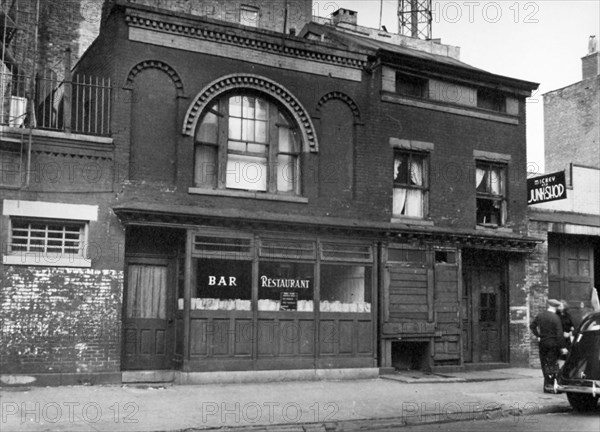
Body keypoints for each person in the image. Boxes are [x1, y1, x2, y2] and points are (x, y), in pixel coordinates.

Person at [529, 299, 568, 393]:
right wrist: (563, 347)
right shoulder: (556, 318)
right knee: (552, 364)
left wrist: (538, 335)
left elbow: (532, 326)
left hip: (543, 343)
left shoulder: (540, 315)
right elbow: (559, 334)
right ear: (556, 307)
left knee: (544, 364)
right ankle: (551, 387)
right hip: (553, 344)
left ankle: (546, 386)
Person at [556, 300, 574, 365]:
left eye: (561, 306)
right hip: (560, 337)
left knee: (567, 355)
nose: (559, 307)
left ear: (564, 307)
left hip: (567, 338)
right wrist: (562, 333)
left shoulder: (568, 315)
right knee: (560, 355)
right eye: (558, 306)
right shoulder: (556, 315)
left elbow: (572, 325)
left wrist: (570, 332)